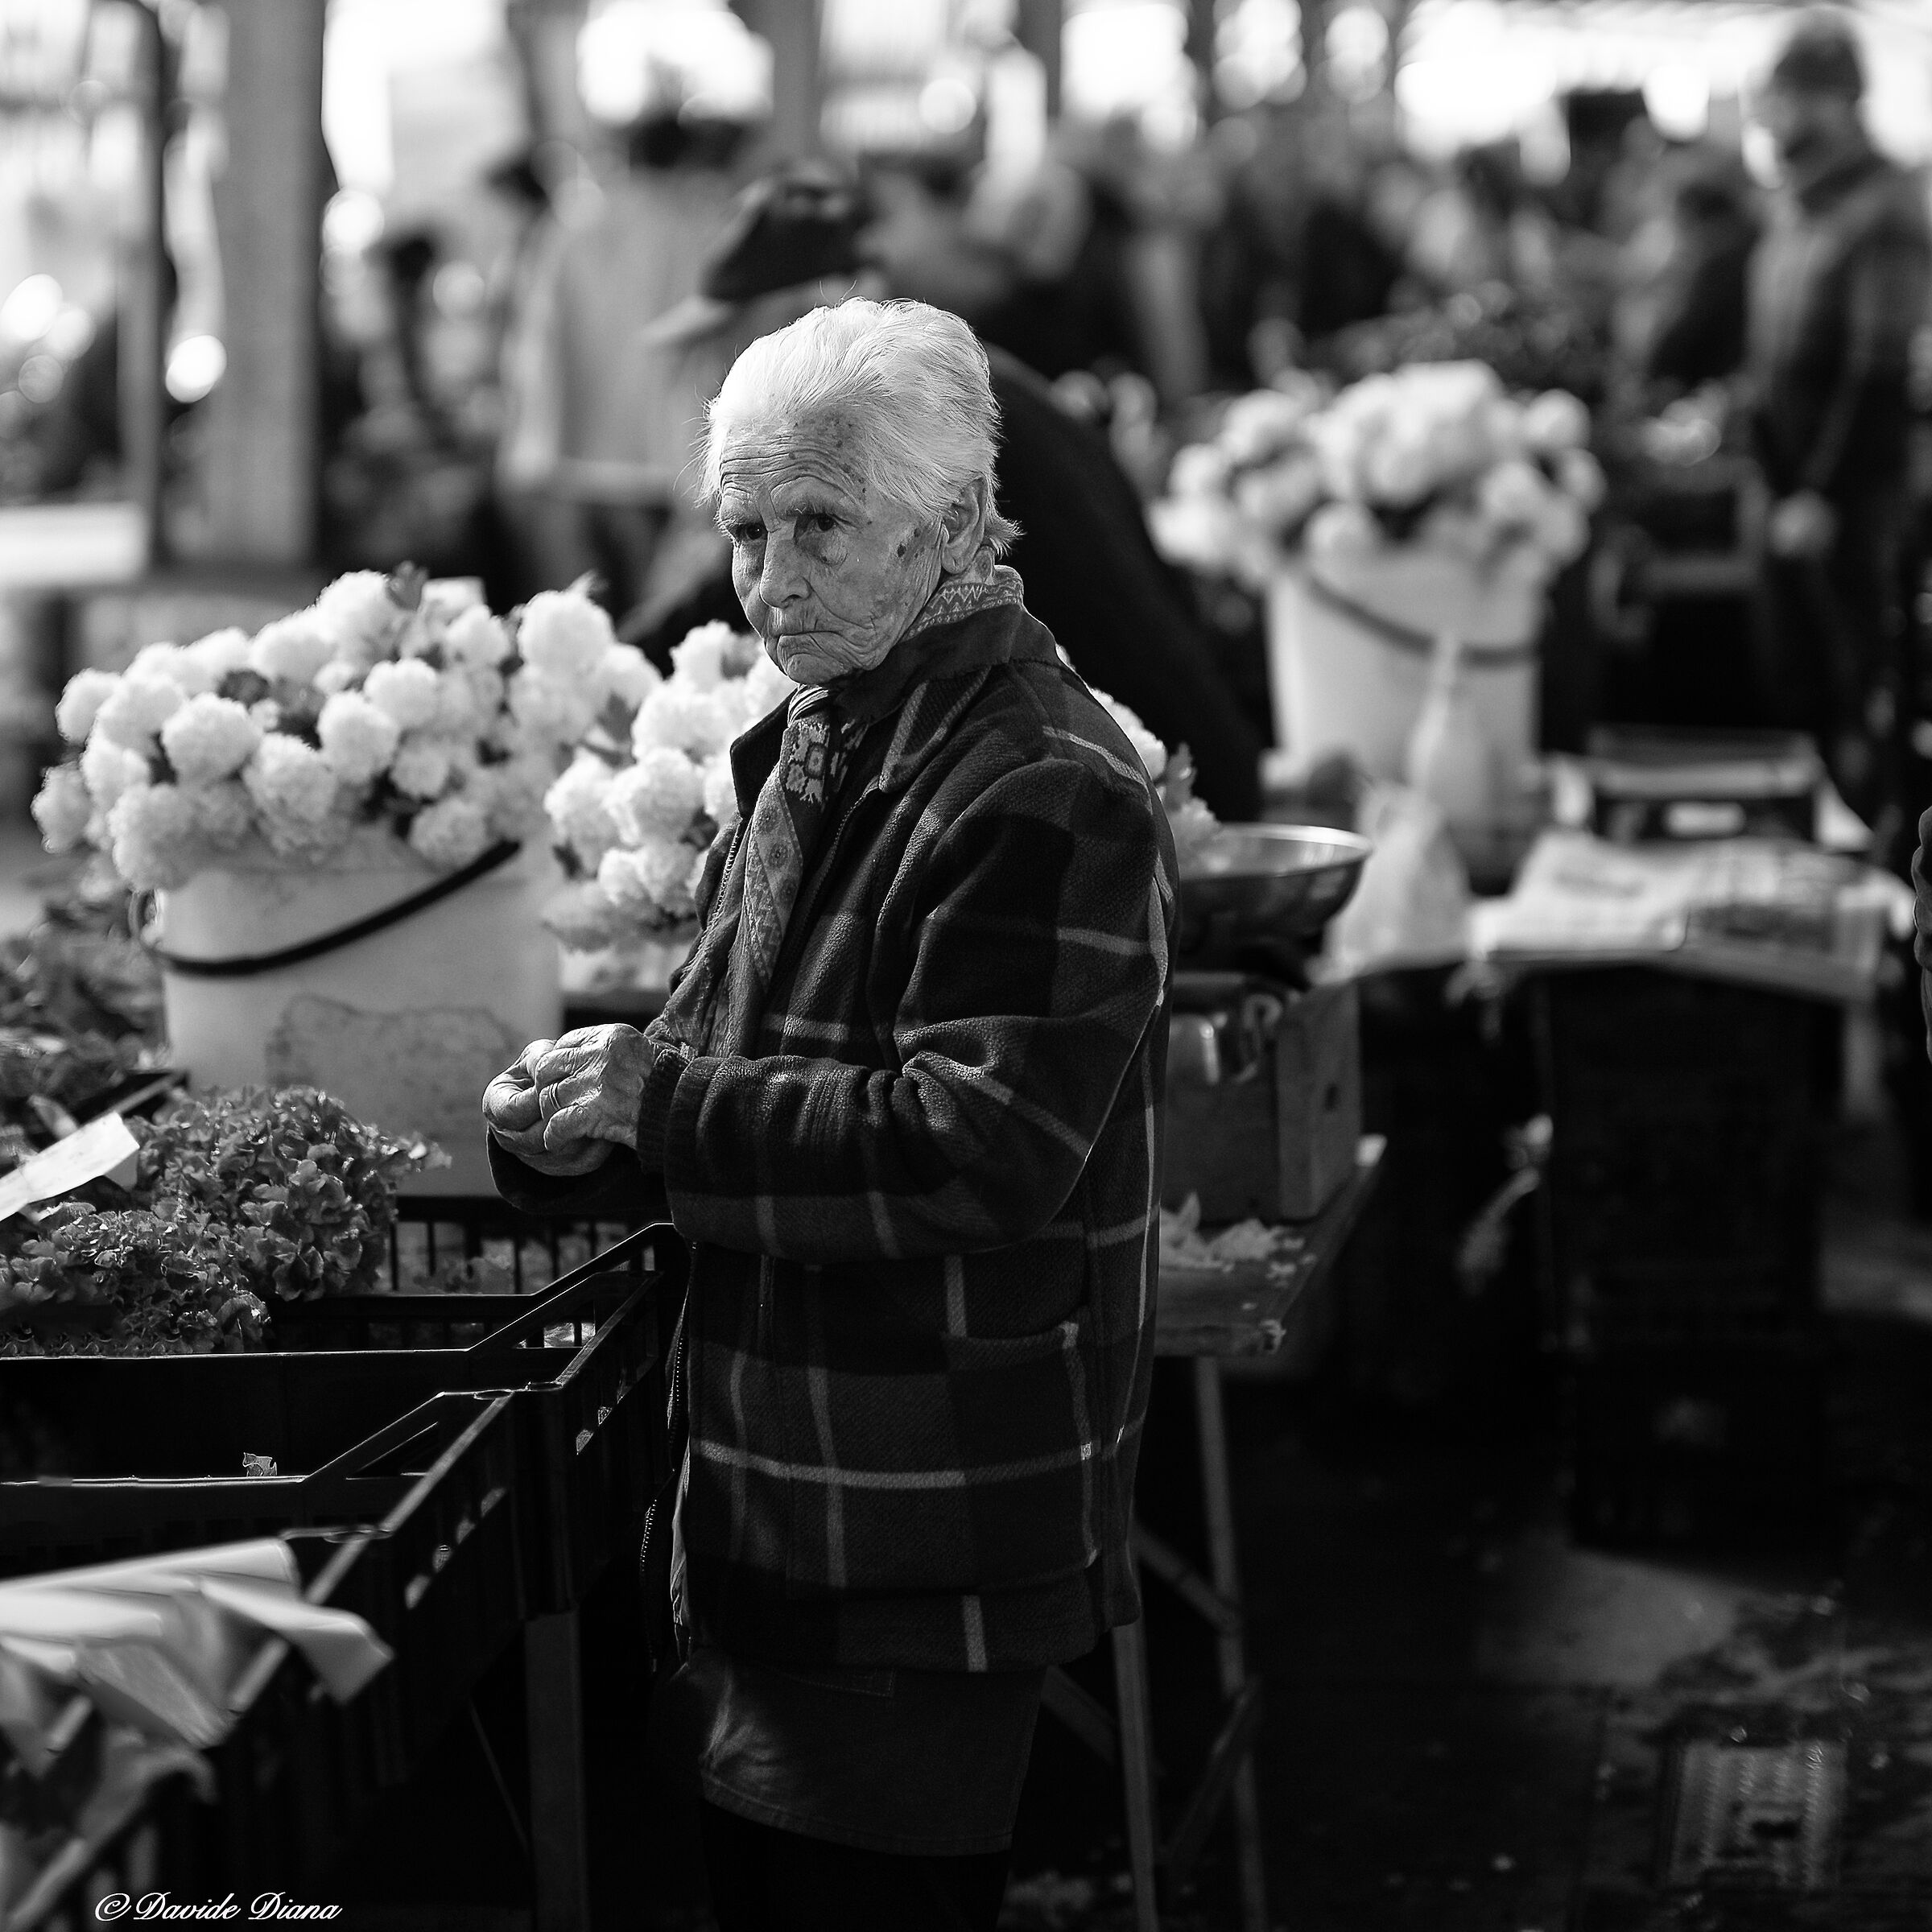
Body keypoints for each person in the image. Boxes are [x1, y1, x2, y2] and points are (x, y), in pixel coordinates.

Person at [485, 299, 1175, 1932]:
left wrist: (670, 1103)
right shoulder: (820, 732)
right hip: (767, 1472)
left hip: (920, 1498)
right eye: (744, 529)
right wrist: (585, 1112)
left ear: (950, 528)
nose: (769, 579)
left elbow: (974, 1148)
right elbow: (729, 1051)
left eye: (820, 526)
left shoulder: (1043, 784)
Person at [631, 164, 1265, 819]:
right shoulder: (901, 416)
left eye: (740, 340)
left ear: (826, 312)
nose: (721, 373)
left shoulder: (938, 426)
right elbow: (729, 587)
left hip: (1145, 808)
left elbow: (1145, 648)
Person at [1746, 12, 1932, 840]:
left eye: (1789, 99)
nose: (1772, 119)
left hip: (1847, 502)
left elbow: (1877, 368)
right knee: (1793, 686)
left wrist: (1818, 492)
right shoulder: (1794, 205)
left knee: (1858, 688)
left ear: (1843, 101)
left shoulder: (1886, 207)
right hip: (1781, 492)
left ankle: (1877, 864)